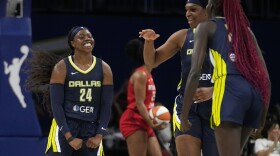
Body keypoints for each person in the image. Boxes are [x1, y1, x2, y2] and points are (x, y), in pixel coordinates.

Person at [179, 0, 271, 155]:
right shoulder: (246, 30)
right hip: (254, 94)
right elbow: (266, 79)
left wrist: (184, 114)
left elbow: (195, 72)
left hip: (230, 91)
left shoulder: (206, 26)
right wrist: (262, 118)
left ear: (212, 6)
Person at [139, 0, 219, 155]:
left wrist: (213, 90)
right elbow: (152, 61)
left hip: (216, 106)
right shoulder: (182, 36)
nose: (188, 14)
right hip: (187, 107)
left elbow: (239, 77)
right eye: (186, 10)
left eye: (193, 9)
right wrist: (149, 42)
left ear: (207, 10)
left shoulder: (222, 36)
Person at [26, 26, 113, 156]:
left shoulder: (104, 68)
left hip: (91, 127)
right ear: (73, 43)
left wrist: (100, 135)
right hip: (66, 124)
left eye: (89, 36)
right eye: (81, 37)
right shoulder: (61, 67)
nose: (87, 39)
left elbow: (106, 105)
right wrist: (69, 137)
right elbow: (56, 105)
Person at [119, 38, 164, 156]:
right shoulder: (140, 75)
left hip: (145, 121)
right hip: (133, 121)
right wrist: (152, 123)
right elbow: (139, 104)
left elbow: (148, 103)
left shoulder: (148, 75)